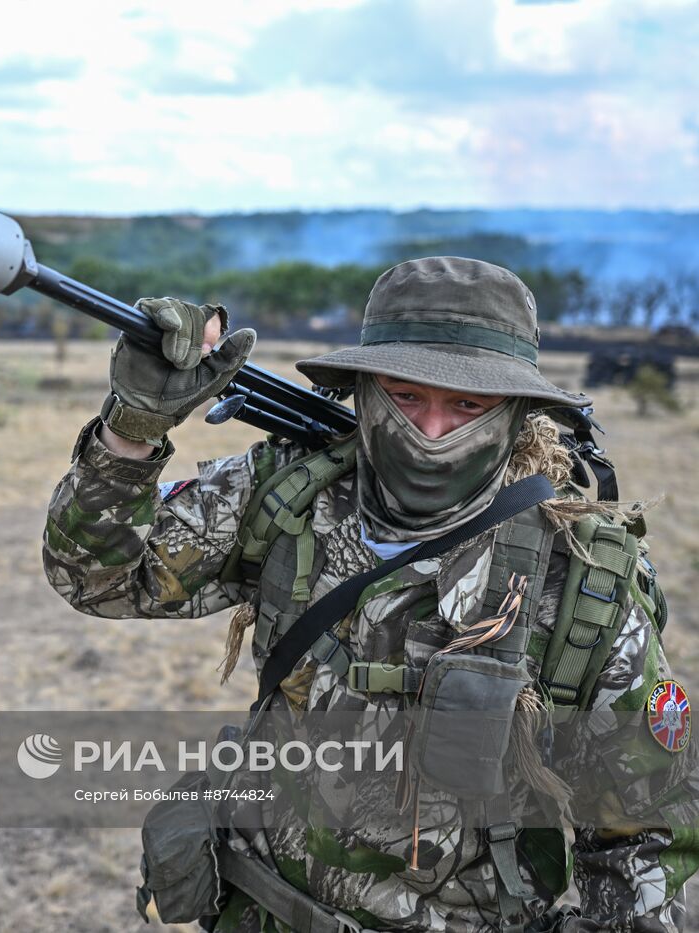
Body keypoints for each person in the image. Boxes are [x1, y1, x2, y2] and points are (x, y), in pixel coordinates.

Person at [42, 257, 699, 931]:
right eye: (406, 395)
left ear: (518, 414)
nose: (433, 430)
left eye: (468, 404)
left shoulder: (582, 581)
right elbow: (98, 579)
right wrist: (132, 431)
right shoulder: (286, 493)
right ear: (363, 388)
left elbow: (651, 835)